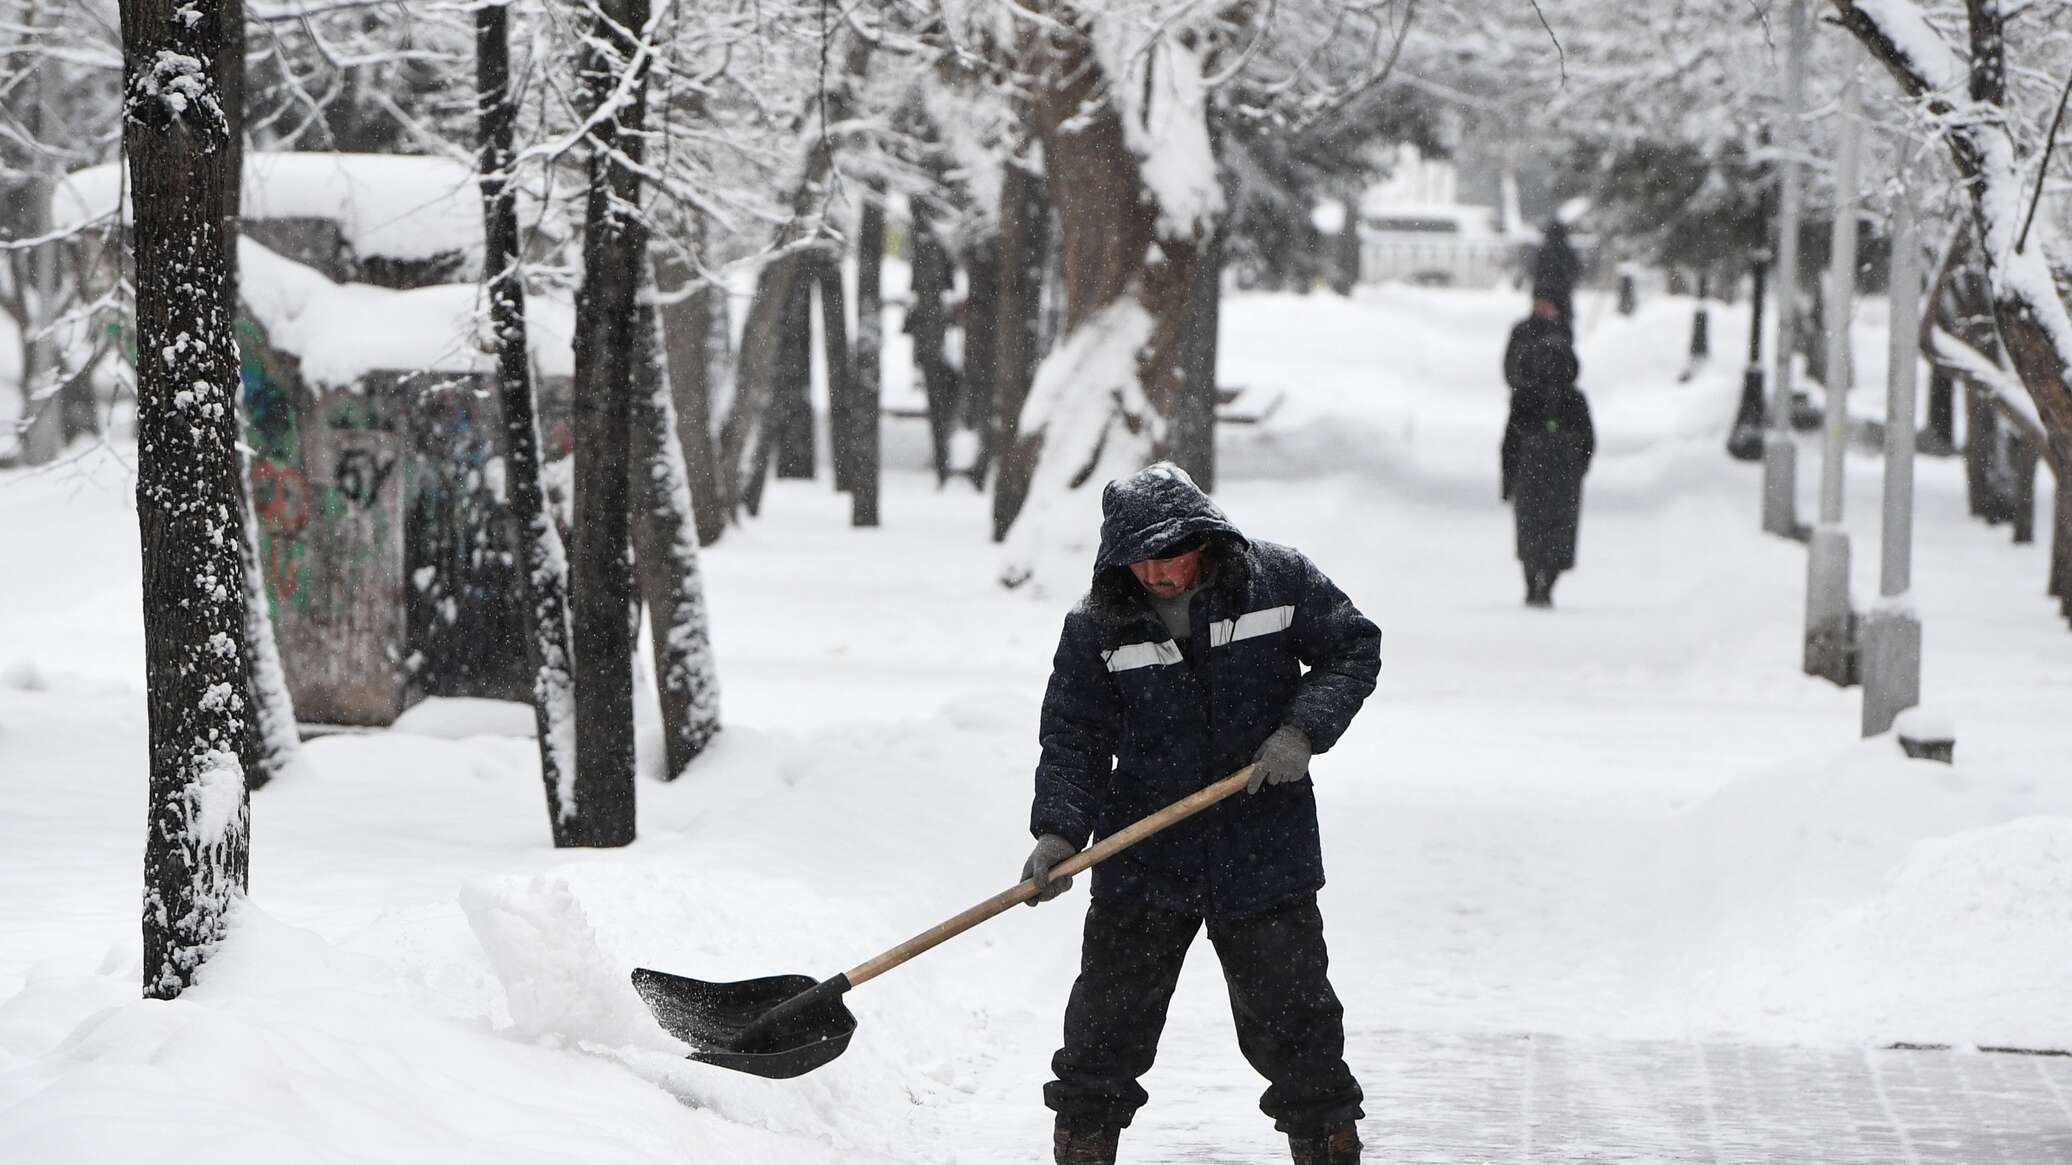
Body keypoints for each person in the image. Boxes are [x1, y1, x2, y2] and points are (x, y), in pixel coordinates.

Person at [1021, 462, 1381, 1165]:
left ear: (1202, 537)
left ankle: (1327, 1147)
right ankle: (1084, 1149)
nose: (1156, 574)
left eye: (1168, 556)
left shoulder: (1276, 581)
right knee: (1104, 1030)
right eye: (1139, 560)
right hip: (1144, 852)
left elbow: (1352, 647)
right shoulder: (1099, 624)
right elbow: (1074, 735)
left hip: (1263, 846)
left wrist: (1302, 729)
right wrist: (1058, 831)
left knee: (1297, 1024)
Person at [1500, 338, 1596, 608]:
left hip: (1532, 474)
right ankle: (1546, 581)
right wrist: (1578, 466)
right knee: (1558, 531)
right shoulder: (1573, 399)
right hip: (1562, 477)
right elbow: (1588, 440)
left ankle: (1534, 581)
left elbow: (1510, 443)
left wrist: (1508, 479)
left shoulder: (1524, 397)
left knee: (1531, 530)